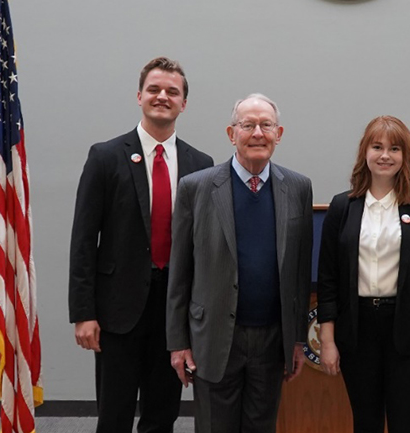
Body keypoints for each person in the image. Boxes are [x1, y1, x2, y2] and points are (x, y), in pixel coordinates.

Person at [68, 57, 213, 433]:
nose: (162, 96)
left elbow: (204, 246)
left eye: (172, 91)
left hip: (174, 312)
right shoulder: (105, 156)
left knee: (162, 415)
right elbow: (84, 239)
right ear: (139, 96)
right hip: (118, 311)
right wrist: (83, 313)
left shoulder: (202, 165)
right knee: (114, 416)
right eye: (154, 89)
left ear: (184, 102)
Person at [166, 93, 313, 433]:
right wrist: (178, 342)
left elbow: (299, 272)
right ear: (232, 134)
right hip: (214, 338)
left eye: (266, 125)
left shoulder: (298, 187)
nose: (258, 133)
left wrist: (297, 339)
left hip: (272, 339)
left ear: (279, 133)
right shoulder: (196, 188)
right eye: (248, 125)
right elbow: (180, 273)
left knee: (261, 427)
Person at [317, 116, 410, 433]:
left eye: (394, 148)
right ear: (365, 152)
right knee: (366, 421)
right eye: (377, 147)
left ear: (406, 156)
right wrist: (327, 338)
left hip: (406, 331)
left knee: (405, 423)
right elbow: (329, 279)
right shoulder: (342, 207)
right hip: (357, 331)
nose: (385, 155)